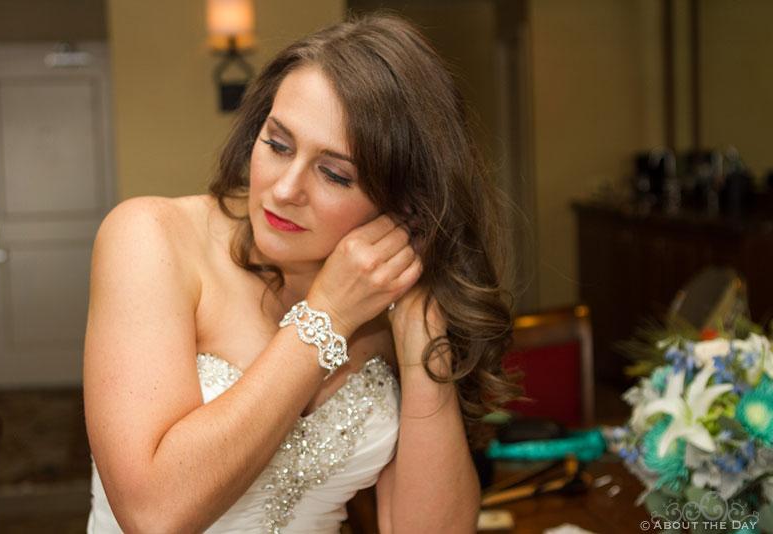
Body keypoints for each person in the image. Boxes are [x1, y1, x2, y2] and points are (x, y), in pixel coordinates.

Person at [84, 12, 519, 534]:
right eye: (278, 144)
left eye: (334, 173)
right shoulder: (150, 237)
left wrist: (419, 326)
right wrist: (327, 317)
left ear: (405, 202)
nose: (285, 189)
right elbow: (153, 513)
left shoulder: (391, 299)